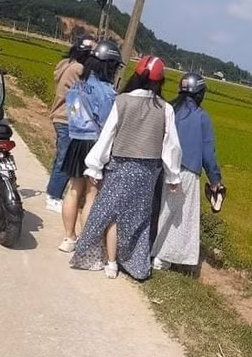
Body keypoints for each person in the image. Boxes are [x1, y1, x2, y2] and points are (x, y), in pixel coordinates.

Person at [70, 56, 182, 280]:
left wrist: (95, 167)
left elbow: (107, 136)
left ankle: (110, 262)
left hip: (120, 167)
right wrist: (173, 177)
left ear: (137, 76)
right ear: (160, 81)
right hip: (147, 172)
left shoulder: (122, 101)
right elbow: (172, 146)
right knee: (138, 219)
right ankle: (135, 264)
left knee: (110, 212)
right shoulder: (166, 109)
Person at [151, 72, 222, 271]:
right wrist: (215, 180)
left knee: (159, 209)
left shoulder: (169, 109)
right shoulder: (201, 117)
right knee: (177, 218)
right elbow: (208, 152)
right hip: (187, 171)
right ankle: (162, 257)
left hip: (160, 166)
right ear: (200, 94)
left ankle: (150, 247)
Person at [58, 39, 121, 253]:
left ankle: (68, 238)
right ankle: (86, 244)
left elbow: (72, 112)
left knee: (73, 190)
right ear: (108, 65)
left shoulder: (78, 85)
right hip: (95, 143)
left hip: (76, 140)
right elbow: (107, 123)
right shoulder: (107, 91)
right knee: (91, 194)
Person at [46, 36, 95, 213]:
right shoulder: (79, 69)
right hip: (67, 119)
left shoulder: (66, 63)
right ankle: (53, 196)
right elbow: (83, 95)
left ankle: (53, 190)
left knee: (60, 157)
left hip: (60, 117)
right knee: (65, 159)